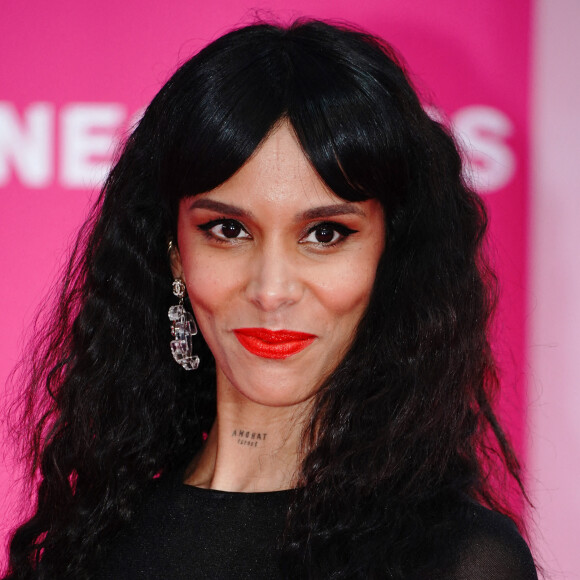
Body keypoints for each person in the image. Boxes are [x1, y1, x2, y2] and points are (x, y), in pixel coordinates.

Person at [4, 19, 537, 580]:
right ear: (174, 252)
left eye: (325, 234)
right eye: (228, 230)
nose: (271, 291)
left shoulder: (458, 560)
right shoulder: (87, 546)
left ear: (389, 255)